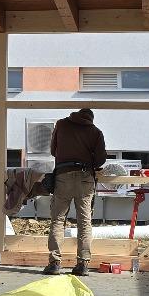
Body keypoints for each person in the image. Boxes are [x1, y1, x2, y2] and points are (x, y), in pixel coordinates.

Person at [45, 108, 107, 276]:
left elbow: (53, 151)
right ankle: (83, 264)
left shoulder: (61, 124)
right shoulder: (95, 132)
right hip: (85, 178)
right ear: (91, 119)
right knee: (84, 222)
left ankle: (54, 263)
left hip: (63, 175)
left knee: (58, 220)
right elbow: (100, 160)